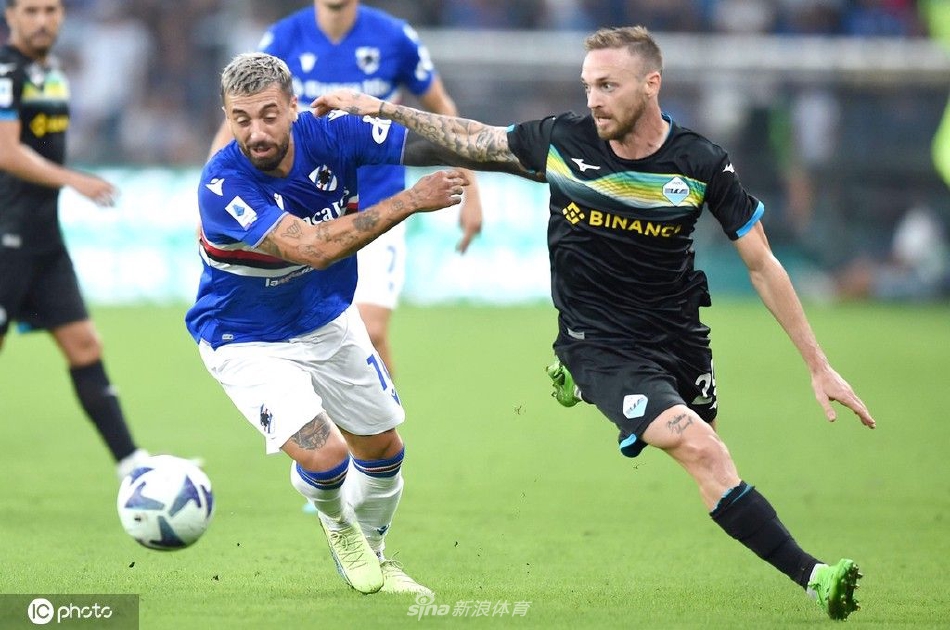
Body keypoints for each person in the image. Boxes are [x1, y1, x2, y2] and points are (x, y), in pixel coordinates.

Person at [314, 26, 877, 620]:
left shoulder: (701, 162)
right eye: (588, 86)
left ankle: (593, 390)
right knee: (702, 449)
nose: (594, 100)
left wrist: (818, 364)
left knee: (708, 432)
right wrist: (381, 107)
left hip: (677, 335)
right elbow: (476, 139)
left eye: (608, 86)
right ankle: (814, 576)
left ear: (651, 84)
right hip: (599, 342)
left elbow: (762, 264)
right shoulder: (564, 141)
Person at [188, 51, 487, 596]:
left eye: (269, 115)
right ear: (227, 117)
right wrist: (410, 200)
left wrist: (529, 152)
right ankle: (337, 523)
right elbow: (313, 248)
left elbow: (442, 141)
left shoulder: (331, 135)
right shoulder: (222, 184)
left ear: (293, 106)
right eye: (241, 119)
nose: (256, 132)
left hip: (325, 319)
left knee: (385, 454)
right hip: (244, 338)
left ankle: (374, 552)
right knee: (327, 456)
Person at [209, 0, 484, 376]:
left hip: (380, 203)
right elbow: (239, 120)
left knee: (371, 331)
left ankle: (384, 415)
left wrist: (473, 190)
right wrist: (208, 203)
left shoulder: (394, 37)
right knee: (306, 336)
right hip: (304, 212)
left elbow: (440, 110)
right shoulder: (283, 39)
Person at [0, 0, 150, 480]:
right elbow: (7, 152)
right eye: (30, 11)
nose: (42, 20)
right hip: (5, 237)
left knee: (84, 345)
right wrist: (73, 179)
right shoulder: (6, 71)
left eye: (50, 10)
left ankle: (133, 465)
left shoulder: (55, 72)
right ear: (10, 17)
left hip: (43, 239)